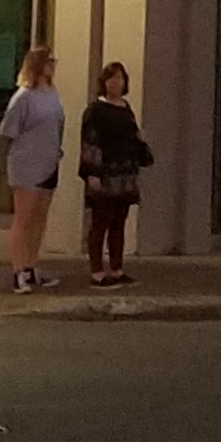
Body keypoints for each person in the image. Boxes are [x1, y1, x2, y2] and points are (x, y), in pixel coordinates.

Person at [79, 62, 152, 288]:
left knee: (119, 223)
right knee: (100, 223)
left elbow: (134, 136)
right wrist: (92, 173)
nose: (115, 83)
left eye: (119, 79)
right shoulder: (95, 111)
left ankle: (117, 269)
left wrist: (141, 145)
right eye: (111, 79)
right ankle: (97, 272)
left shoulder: (126, 108)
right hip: (105, 174)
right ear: (104, 83)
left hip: (125, 174)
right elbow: (90, 143)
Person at [0, 48, 64, 293]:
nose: (52, 65)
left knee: (39, 219)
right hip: (26, 163)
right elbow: (9, 130)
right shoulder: (24, 97)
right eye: (49, 61)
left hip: (50, 161)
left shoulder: (53, 94)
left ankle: (31, 265)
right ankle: (17, 270)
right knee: (23, 219)